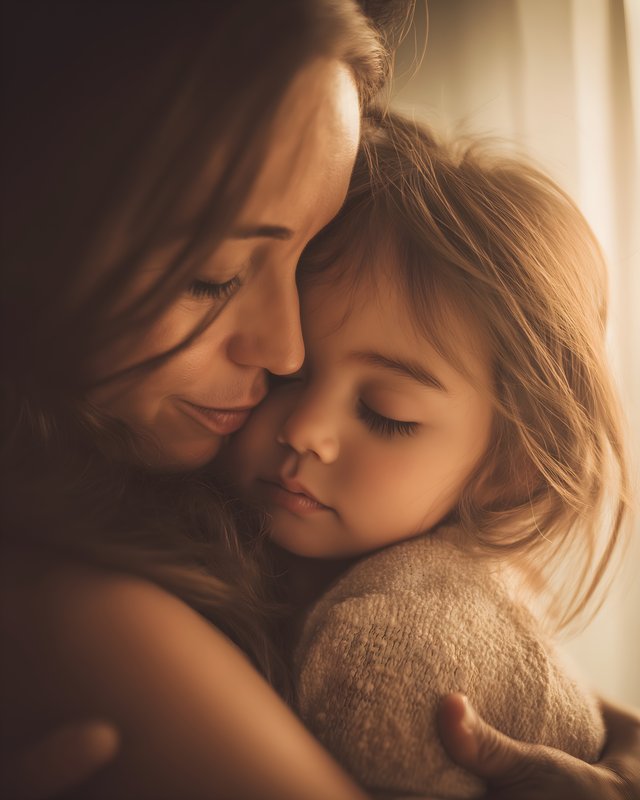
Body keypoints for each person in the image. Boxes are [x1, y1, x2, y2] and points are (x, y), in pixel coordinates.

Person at [1, 2, 638, 799]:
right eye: (216, 275)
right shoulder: (73, 609)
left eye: (299, 257)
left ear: (503, 468)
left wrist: (614, 735)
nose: (285, 352)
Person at [225, 112, 632, 797]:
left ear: (508, 467)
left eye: (385, 414)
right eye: (288, 374)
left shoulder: (434, 635)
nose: (303, 429)